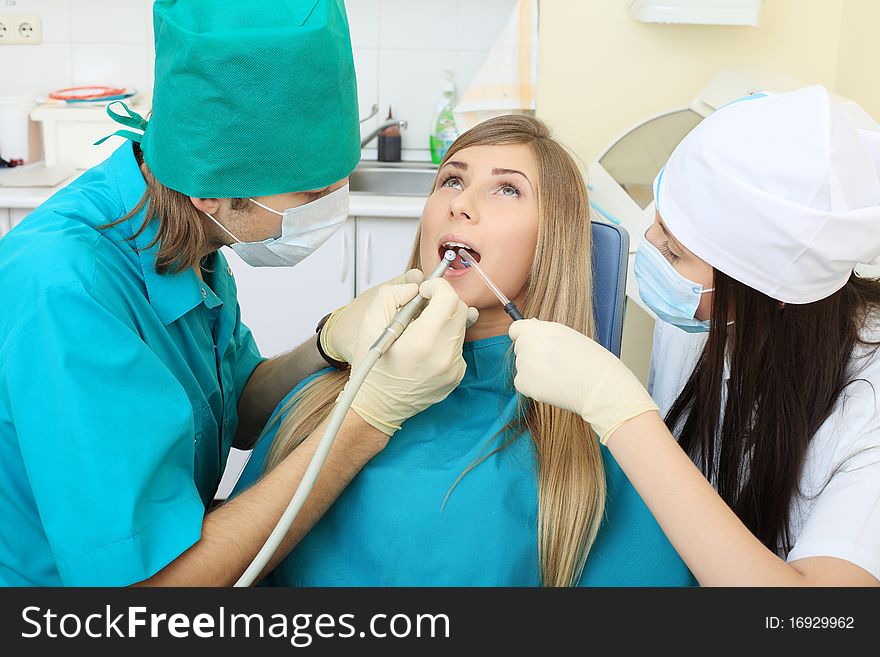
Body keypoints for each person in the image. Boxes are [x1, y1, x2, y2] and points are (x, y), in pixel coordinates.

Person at [0, 0, 473, 586]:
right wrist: (369, 420)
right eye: (312, 193)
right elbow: (149, 594)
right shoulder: (65, 288)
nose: (331, 208)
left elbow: (238, 409)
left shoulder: (188, 238)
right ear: (214, 194)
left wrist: (329, 345)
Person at [232, 115, 696, 587]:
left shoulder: (592, 442)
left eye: (507, 189)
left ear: (553, 238)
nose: (460, 204)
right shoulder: (319, 395)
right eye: (452, 180)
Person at [509, 86, 880, 586]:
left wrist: (623, 415)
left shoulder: (868, 404)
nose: (651, 248)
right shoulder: (703, 315)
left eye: (677, 251)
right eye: (659, 220)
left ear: (767, 293)